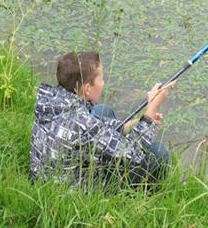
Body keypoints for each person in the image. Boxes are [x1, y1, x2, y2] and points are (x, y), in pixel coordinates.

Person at [30, 52, 173, 186]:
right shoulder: (83, 125)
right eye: (101, 79)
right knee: (159, 152)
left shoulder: (51, 100)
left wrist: (133, 124)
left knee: (103, 111)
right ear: (87, 89)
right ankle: (146, 192)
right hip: (73, 191)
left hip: (46, 175)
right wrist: (151, 111)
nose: (103, 83)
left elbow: (96, 127)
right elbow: (133, 154)